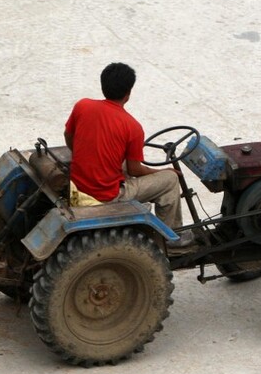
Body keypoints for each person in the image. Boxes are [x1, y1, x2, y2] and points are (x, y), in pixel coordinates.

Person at [64, 62, 194, 248]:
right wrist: (162, 172)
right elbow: (135, 169)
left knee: (122, 163)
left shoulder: (82, 106)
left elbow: (68, 136)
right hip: (108, 195)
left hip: (79, 183)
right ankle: (172, 237)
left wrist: (81, 154)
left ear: (103, 86)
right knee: (170, 180)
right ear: (128, 93)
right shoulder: (132, 126)